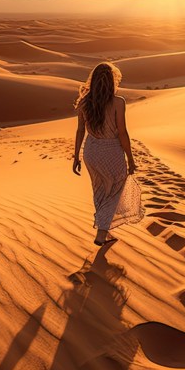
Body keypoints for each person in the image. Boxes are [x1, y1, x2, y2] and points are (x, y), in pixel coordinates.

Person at [72, 62, 144, 245]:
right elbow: (122, 133)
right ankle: (102, 233)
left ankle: (105, 230)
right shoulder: (118, 102)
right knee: (115, 191)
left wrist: (76, 157)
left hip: (91, 152)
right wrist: (130, 158)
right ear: (112, 81)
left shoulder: (84, 102)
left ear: (93, 80)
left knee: (100, 190)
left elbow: (80, 131)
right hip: (111, 151)